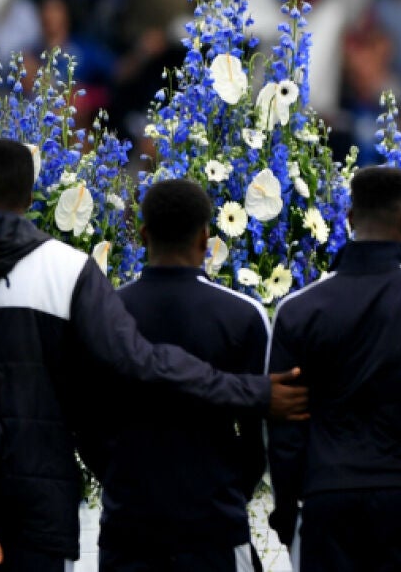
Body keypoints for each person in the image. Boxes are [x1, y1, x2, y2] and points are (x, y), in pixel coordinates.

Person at [0, 139, 306, 572]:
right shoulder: (68, 270)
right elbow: (140, 361)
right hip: (41, 519)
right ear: (31, 198)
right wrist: (252, 391)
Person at [266, 166, 401, 571]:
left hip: (325, 502)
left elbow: (283, 423)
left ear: (350, 219)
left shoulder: (296, 309)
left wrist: (286, 511)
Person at [90, 180, 272, 572]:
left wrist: (125, 481)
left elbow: (89, 426)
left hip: (129, 525)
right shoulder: (242, 315)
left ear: (142, 235)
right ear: (206, 237)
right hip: (214, 524)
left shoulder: (106, 313)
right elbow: (259, 433)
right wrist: (223, 486)